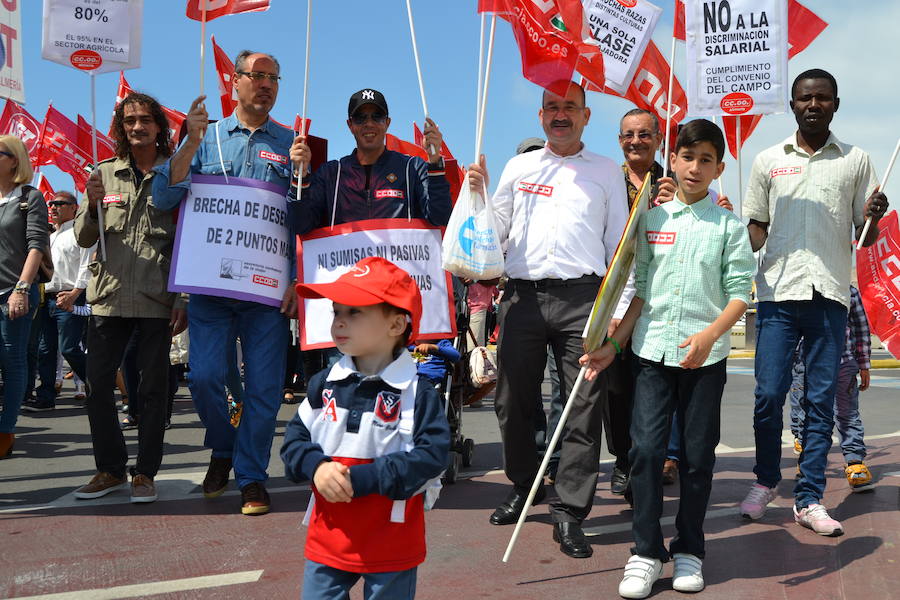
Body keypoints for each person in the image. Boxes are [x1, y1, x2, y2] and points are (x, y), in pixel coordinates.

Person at [581, 119, 755, 598]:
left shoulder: (728, 227)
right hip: (651, 354)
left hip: (706, 359)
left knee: (697, 458)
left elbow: (741, 292)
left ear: (719, 167)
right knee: (645, 453)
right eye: (686, 156)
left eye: (705, 160)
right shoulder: (651, 222)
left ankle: (690, 550)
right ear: (671, 159)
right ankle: (644, 551)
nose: (694, 167)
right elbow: (640, 294)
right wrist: (612, 346)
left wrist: (710, 335)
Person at [467, 82, 628, 559]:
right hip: (522, 298)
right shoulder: (519, 167)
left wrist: (617, 311)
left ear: (586, 116)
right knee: (512, 401)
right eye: (552, 108)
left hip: (584, 299)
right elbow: (493, 234)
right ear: (540, 117)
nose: (561, 115)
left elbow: (620, 245)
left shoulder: (605, 172)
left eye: (570, 108)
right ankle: (524, 485)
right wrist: (475, 196)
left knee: (582, 407)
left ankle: (571, 512)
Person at [739, 69, 889, 536]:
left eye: (822, 98)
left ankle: (809, 498)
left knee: (822, 400)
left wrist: (874, 217)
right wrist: (729, 232)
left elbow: (865, 237)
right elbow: (755, 228)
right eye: (805, 97)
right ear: (792, 104)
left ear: (835, 105)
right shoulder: (767, 160)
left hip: (829, 297)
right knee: (768, 396)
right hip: (777, 296)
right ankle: (765, 481)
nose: (813, 105)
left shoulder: (856, 160)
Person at [151, 50, 295, 515]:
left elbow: (304, 220)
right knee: (205, 376)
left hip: (266, 292)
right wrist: (188, 145)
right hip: (211, 291)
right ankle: (223, 446)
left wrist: (299, 279)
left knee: (265, 389)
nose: (266, 85)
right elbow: (162, 196)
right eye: (257, 76)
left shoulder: (292, 145)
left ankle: (251, 476)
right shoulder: (205, 137)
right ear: (235, 82)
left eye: (273, 78)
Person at [281, 256, 449, 600]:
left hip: (392, 540)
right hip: (329, 536)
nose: (339, 322)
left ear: (396, 325)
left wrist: (362, 479)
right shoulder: (323, 383)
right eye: (336, 311)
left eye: (354, 312)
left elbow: (432, 458)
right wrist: (317, 468)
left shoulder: (418, 392)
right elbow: (293, 442)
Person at [71, 92, 186, 503]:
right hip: (108, 298)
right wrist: (90, 201)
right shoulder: (103, 173)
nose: (137, 127)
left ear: (159, 126)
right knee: (97, 385)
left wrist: (183, 298)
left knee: (154, 390)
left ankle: (145, 474)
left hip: (157, 300)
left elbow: (186, 242)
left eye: (144, 120)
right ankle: (110, 469)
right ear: (121, 128)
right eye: (129, 121)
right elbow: (85, 237)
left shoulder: (177, 177)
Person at [288, 88, 451, 233]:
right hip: (350, 268)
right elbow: (300, 225)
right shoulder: (331, 173)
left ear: (387, 123)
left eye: (377, 117)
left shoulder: (413, 168)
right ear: (350, 125)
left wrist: (435, 162)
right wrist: (299, 175)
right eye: (360, 118)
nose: (369, 124)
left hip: (400, 267)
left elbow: (440, 217)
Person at [789, 285, 874, 492]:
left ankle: (855, 463)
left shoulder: (849, 291)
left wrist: (863, 363)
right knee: (804, 412)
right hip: (805, 363)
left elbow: (860, 329)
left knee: (847, 414)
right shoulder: (798, 289)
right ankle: (807, 458)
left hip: (843, 363)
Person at [0, 135, 49, 457]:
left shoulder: (29, 198)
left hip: (12, 292)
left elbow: (35, 245)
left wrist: (21, 289)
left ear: (14, 160)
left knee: (12, 360)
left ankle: (5, 430)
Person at [23, 191, 93, 412]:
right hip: (48, 297)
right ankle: (46, 396)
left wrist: (74, 294)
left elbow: (86, 267)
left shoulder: (81, 233)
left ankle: (97, 387)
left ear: (74, 207)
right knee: (46, 349)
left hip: (71, 296)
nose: (52, 207)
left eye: (59, 204)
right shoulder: (50, 237)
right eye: (51, 204)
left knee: (70, 347)